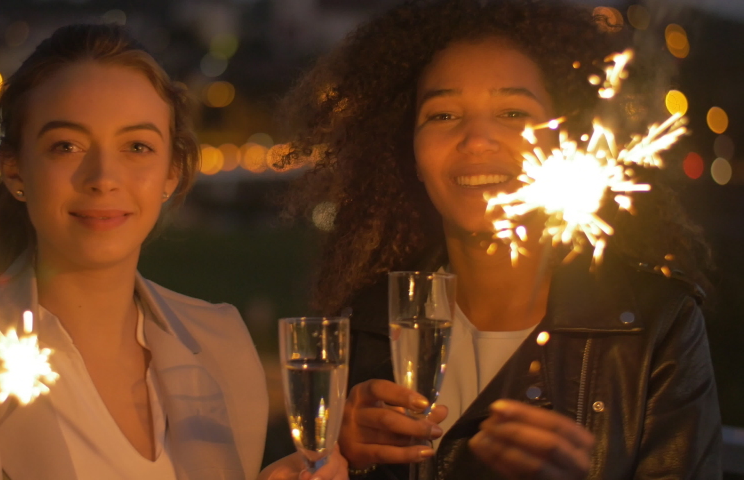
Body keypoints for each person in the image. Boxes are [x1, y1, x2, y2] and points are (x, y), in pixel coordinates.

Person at [277, 0, 722, 478]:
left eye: (513, 112)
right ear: (409, 150)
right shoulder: (366, 326)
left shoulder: (657, 329)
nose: (477, 139)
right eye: (444, 115)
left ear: (567, 140)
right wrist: (344, 459)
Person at [0, 24, 346, 480]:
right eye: (66, 146)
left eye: (137, 146)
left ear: (172, 172)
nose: (104, 176)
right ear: (15, 170)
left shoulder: (223, 343)